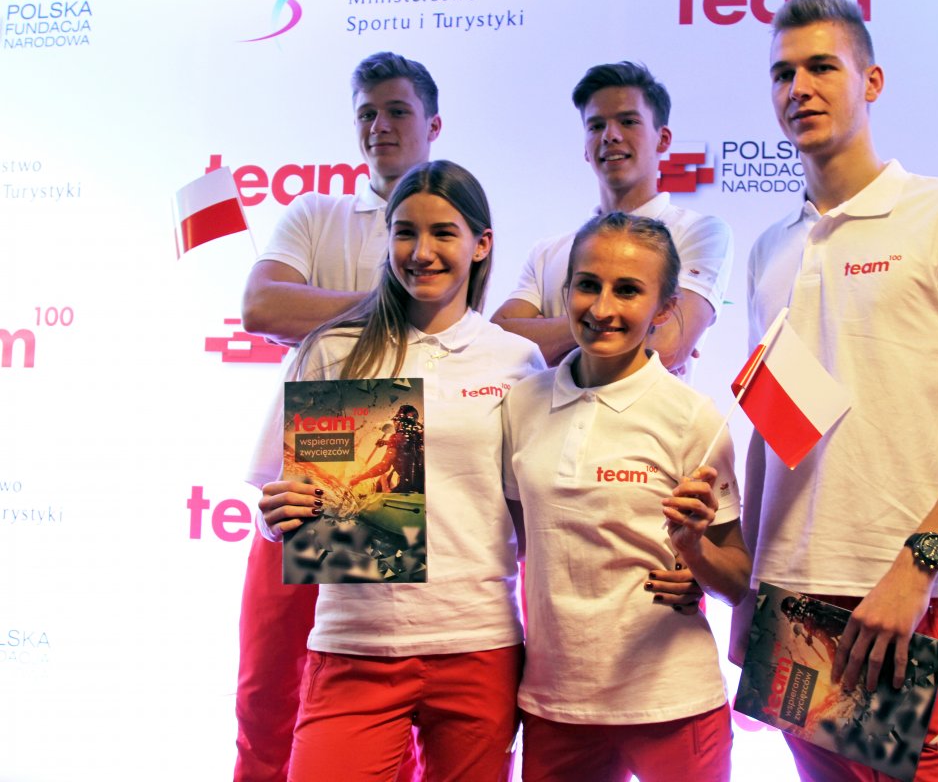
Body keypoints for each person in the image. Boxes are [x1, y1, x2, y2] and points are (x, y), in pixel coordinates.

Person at [737, 0, 938, 781]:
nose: (799, 88)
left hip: (908, 599)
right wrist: (752, 593)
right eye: (782, 74)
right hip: (795, 607)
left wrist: (916, 567)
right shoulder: (769, 249)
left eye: (821, 67)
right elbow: (771, 432)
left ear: (871, 81)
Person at [256, 160, 543, 781]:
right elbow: (291, 507)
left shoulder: (517, 360)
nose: (421, 251)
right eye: (405, 231)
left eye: (443, 233)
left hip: (477, 643)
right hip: (354, 644)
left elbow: (534, 517)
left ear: (481, 244)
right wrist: (275, 520)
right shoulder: (333, 349)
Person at [236, 52, 442, 782]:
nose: (379, 126)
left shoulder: (454, 225)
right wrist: (388, 305)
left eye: (397, 111)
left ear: (433, 125)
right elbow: (263, 305)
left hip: (396, 478)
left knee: (390, 704)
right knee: (269, 693)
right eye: (367, 113)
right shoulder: (317, 214)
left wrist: (324, 314)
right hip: (306, 474)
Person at [503, 212, 752, 782]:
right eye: (588, 285)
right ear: (566, 290)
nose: (602, 307)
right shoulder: (523, 403)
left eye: (629, 290)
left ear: (664, 308)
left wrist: (695, 553)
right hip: (556, 703)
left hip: (673, 702)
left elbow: (737, 582)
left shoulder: (692, 417)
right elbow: (515, 544)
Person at [491, 61, 733, 378]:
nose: (610, 136)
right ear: (585, 148)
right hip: (551, 410)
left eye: (628, 122)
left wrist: (549, 331)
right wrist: (636, 325)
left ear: (663, 139)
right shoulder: (547, 252)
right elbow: (498, 344)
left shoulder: (698, 233)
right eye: (596, 126)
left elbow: (667, 345)